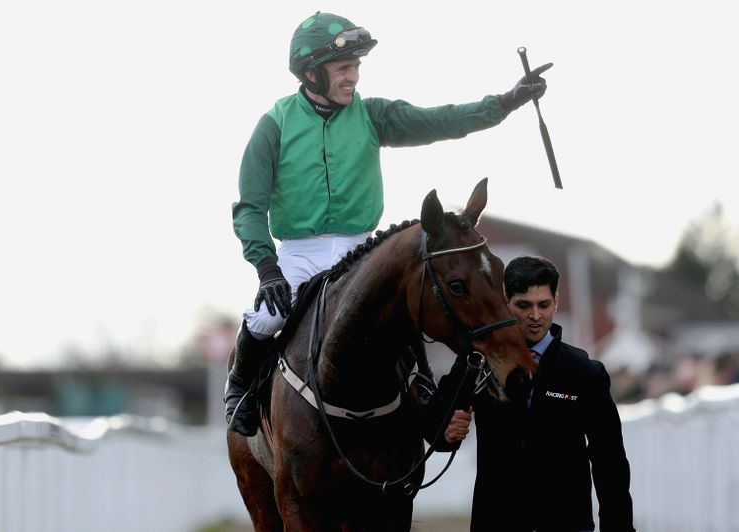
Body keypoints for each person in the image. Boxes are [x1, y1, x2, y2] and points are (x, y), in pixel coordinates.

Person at [225, 11, 552, 437]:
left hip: (361, 246)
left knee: (402, 305)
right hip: (299, 254)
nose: (353, 77)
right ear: (311, 73)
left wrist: (505, 103)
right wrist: (267, 268)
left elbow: (441, 121)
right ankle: (240, 390)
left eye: (356, 67)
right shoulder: (273, 126)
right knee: (267, 319)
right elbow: (249, 207)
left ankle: (423, 387)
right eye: (343, 68)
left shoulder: (373, 115)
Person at [436, 255, 635, 531]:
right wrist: (446, 432)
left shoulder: (585, 373)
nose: (535, 316)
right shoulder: (477, 361)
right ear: (505, 302)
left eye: (543, 304)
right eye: (523, 305)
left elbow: (609, 461)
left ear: (556, 300)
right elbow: (436, 426)